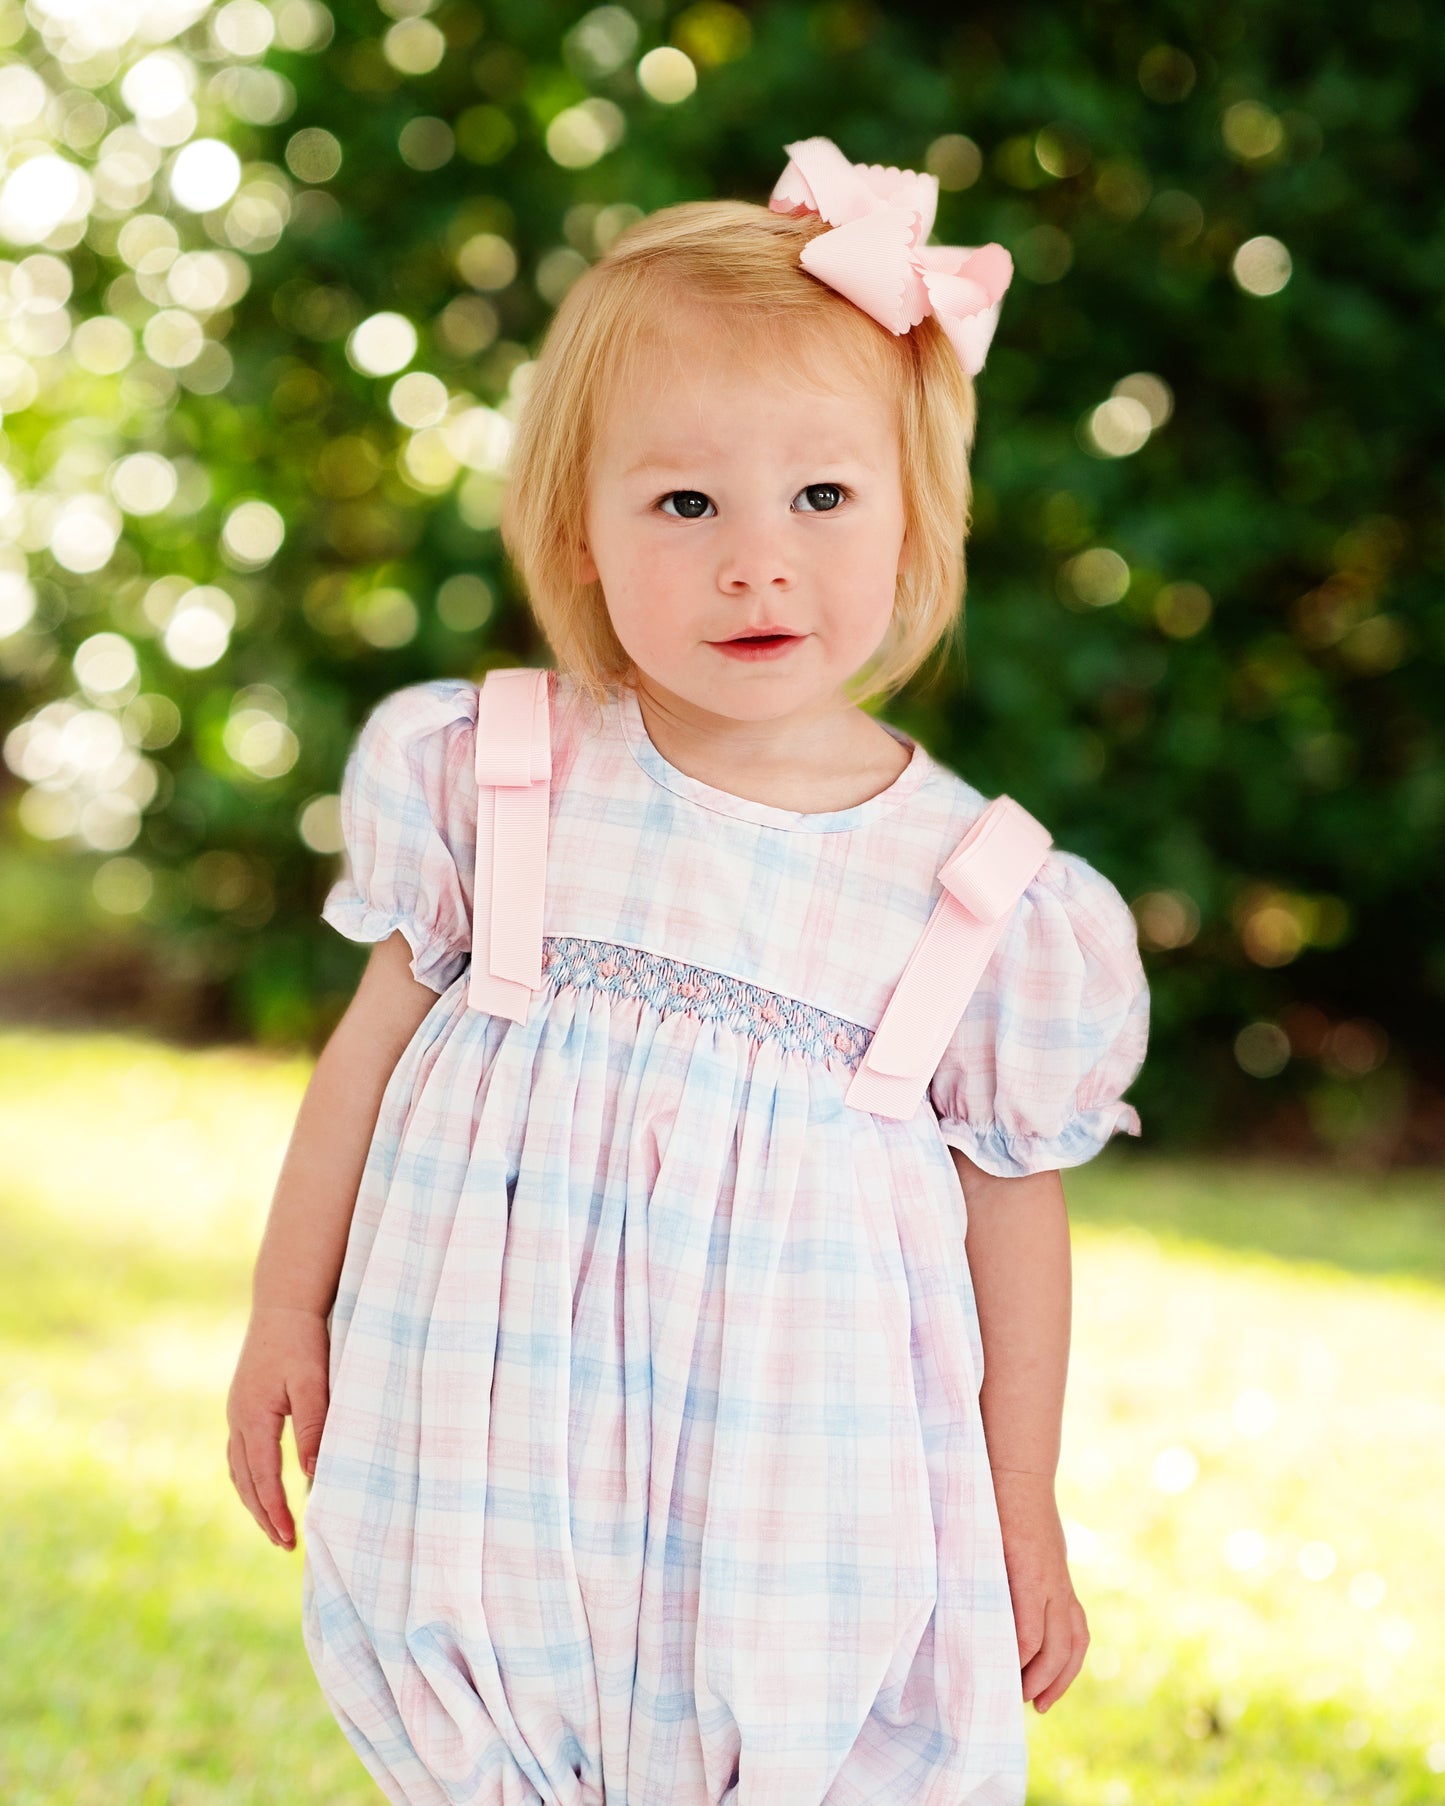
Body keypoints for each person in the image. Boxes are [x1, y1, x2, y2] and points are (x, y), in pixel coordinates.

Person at [226, 136, 1149, 1806]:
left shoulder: (975, 894)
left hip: (797, 1480)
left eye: (819, 495)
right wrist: (287, 1308)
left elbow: (1011, 1211)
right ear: (576, 534)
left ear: (911, 512)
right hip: (497, 1453)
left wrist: (1021, 1500)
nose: (755, 558)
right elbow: (363, 1060)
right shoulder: (493, 779)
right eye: (682, 501)